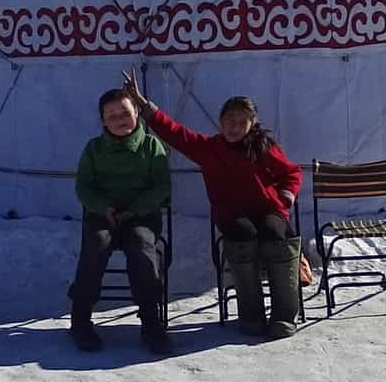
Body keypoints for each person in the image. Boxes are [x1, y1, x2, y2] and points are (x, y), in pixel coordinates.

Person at [121, 69, 303, 339]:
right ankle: (250, 315)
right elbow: (174, 132)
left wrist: (286, 196)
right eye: (230, 120)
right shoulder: (209, 149)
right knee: (244, 235)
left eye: (242, 121)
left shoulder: (263, 147)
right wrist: (142, 104)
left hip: (267, 209)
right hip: (233, 215)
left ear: (252, 123)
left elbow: (291, 172)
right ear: (220, 121)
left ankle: (284, 316)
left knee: (277, 233)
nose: (235, 126)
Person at [69, 87, 173, 354]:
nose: (119, 119)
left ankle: (151, 320)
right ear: (102, 120)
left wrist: (135, 210)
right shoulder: (93, 149)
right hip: (103, 216)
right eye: (111, 115)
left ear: (136, 113)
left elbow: (161, 187)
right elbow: (84, 188)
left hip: (142, 216)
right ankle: (81, 318)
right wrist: (105, 209)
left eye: (124, 112)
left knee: (141, 245)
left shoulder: (151, 146)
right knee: (97, 243)